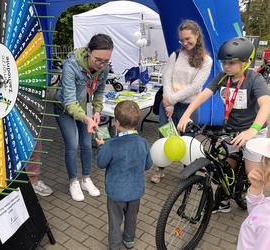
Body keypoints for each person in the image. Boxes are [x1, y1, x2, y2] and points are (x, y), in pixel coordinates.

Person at [177, 37, 270, 213]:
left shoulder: (254, 79)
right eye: (224, 62)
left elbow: (266, 104)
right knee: (226, 167)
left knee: (253, 176)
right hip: (232, 129)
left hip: (253, 131)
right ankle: (224, 201)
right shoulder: (222, 77)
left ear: (245, 62)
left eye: (231, 63)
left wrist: (253, 130)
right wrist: (186, 114)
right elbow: (203, 94)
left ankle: (259, 213)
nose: (226, 66)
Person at [151, 19, 213, 184]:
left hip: (189, 108)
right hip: (168, 106)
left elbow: (195, 87)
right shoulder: (176, 55)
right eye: (182, 40)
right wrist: (168, 103)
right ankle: (160, 169)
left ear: (197, 36)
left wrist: (170, 99)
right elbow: (166, 78)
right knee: (165, 138)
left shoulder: (207, 61)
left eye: (188, 39)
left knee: (188, 139)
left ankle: (188, 170)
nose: (185, 43)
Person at [55, 34, 114, 201]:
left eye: (106, 61)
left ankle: (86, 179)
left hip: (82, 107)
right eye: (99, 60)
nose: (102, 65)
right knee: (72, 145)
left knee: (87, 144)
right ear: (89, 52)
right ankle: (73, 181)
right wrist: (86, 119)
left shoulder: (104, 68)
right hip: (64, 108)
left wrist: (96, 111)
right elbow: (69, 101)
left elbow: (100, 91)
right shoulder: (71, 66)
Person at [96, 100, 152, 250]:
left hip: (116, 192)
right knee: (132, 217)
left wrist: (101, 146)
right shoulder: (143, 142)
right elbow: (148, 165)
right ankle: (129, 240)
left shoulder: (110, 144)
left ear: (117, 122)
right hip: (135, 191)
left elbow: (101, 163)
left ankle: (114, 245)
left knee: (115, 220)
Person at [237, 138, 270, 249]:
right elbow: (255, 214)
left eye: (264, 161)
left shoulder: (267, 226)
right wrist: (256, 188)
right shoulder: (267, 205)